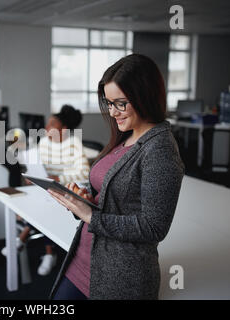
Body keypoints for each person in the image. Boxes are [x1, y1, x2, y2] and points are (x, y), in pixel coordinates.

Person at [48, 54, 185, 299]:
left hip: (118, 278)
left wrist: (90, 215)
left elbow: (154, 227)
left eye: (120, 103)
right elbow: (115, 199)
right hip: (83, 260)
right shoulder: (126, 136)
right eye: (109, 103)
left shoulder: (160, 149)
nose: (112, 112)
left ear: (144, 96)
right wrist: (86, 200)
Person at [1, 105, 90, 276]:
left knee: (46, 209)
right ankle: (45, 251)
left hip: (65, 191)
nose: (46, 128)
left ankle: (28, 241)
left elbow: (84, 173)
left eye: (52, 124)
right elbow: (39, 166)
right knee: (39, 205)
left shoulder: (73, 144)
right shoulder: (45, 142)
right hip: (48, 190)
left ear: (63, 129)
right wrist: (33, 175)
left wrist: (59, 179)